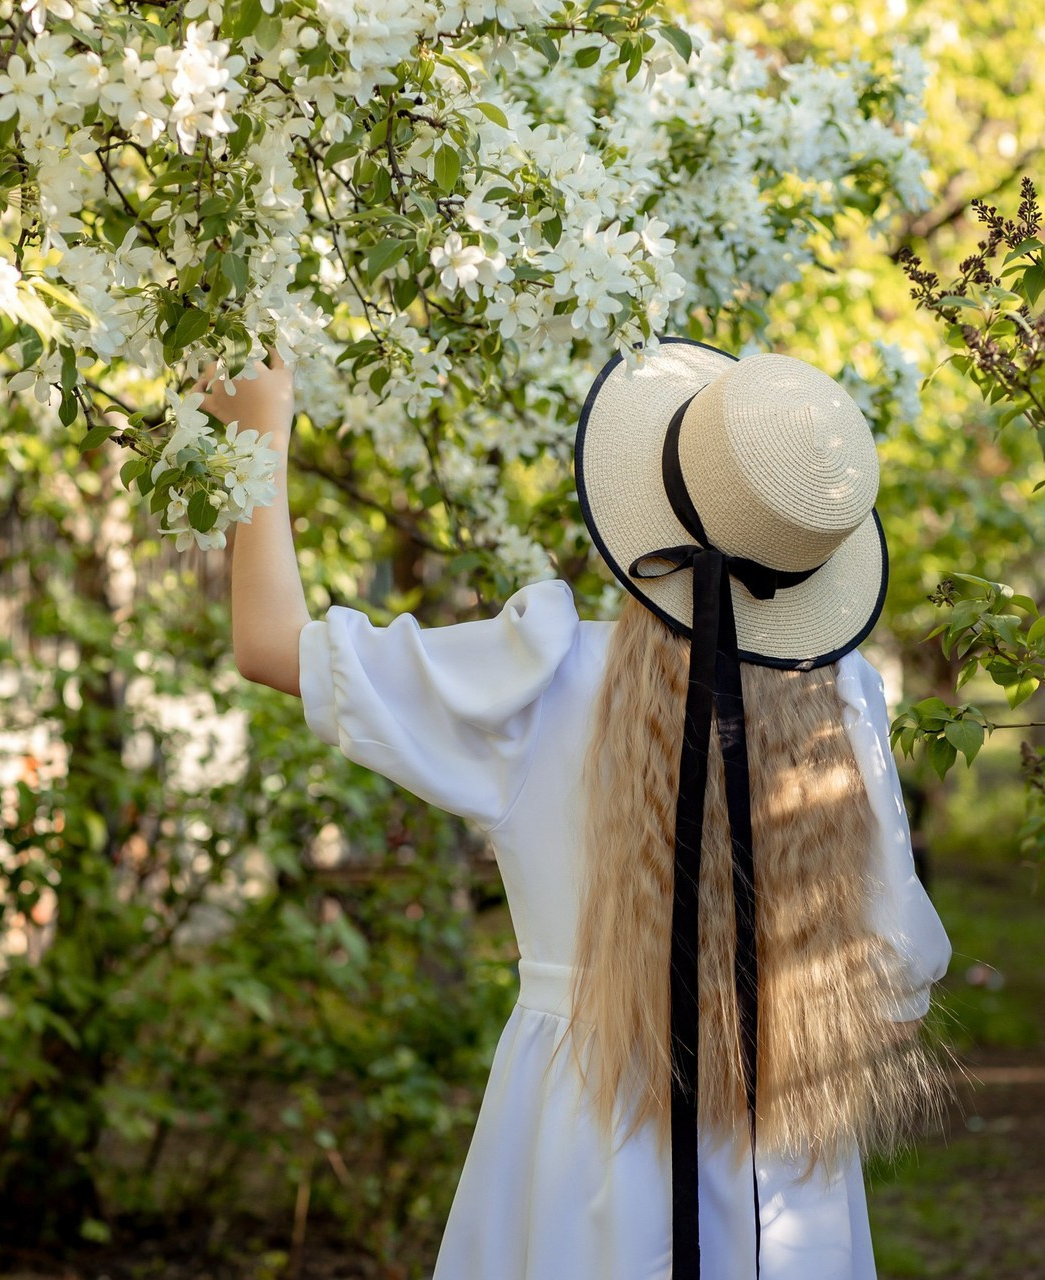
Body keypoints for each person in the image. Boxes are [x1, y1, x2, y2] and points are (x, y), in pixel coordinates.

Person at [208, 336, 952, 1280]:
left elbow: (273, 646)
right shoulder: (843, 700)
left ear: (650, 506)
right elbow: (892, 997)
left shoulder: (544, 674)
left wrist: (260, 431)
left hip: (578, 1132)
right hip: (781, 1162)